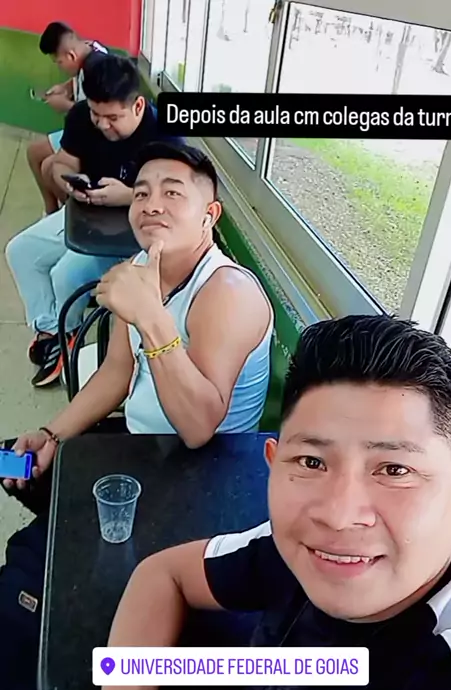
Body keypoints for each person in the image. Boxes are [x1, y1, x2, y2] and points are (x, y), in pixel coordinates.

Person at [1, 314, 451, 690]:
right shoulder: (292, 545)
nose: (340, 515)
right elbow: (163, 573)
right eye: (312, 461)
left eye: (394, 470)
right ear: (274, 463)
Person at [2, 140, 274, 518]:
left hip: (206, 474)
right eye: (142, 193)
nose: (152, 205)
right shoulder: (140, 265)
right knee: (23, 462)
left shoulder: (227, 293)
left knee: (37, 545)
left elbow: (198, 428)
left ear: (209, 215)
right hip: (143, 443)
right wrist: (52, 434)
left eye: (172, 193)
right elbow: (118, 370)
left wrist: (150, 316)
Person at [6, 54, 184, 387]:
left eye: (113, 117)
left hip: (136, 232)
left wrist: (130, 195)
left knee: (65, 275)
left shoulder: (165, 134)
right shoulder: (80, 117)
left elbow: (176, 202)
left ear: (138, 106)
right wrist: (70, 183)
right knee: (20, 251)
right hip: (87, 214)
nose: (102, 125)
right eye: (95, 114)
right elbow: (62, 162)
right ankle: (54, 333)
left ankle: (68, 330)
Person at [27, 21, 108, 215]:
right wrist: (66, 87)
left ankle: (69, 214)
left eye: (59, 62)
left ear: (71, 55)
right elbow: (78, 77)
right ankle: (50, 211)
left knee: (48, 168)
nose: (59, 67)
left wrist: (65, 106)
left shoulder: (97, 71)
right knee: (34, 153)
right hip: (81, 130)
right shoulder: (89, 48)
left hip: (93, 136)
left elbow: (100, 118)